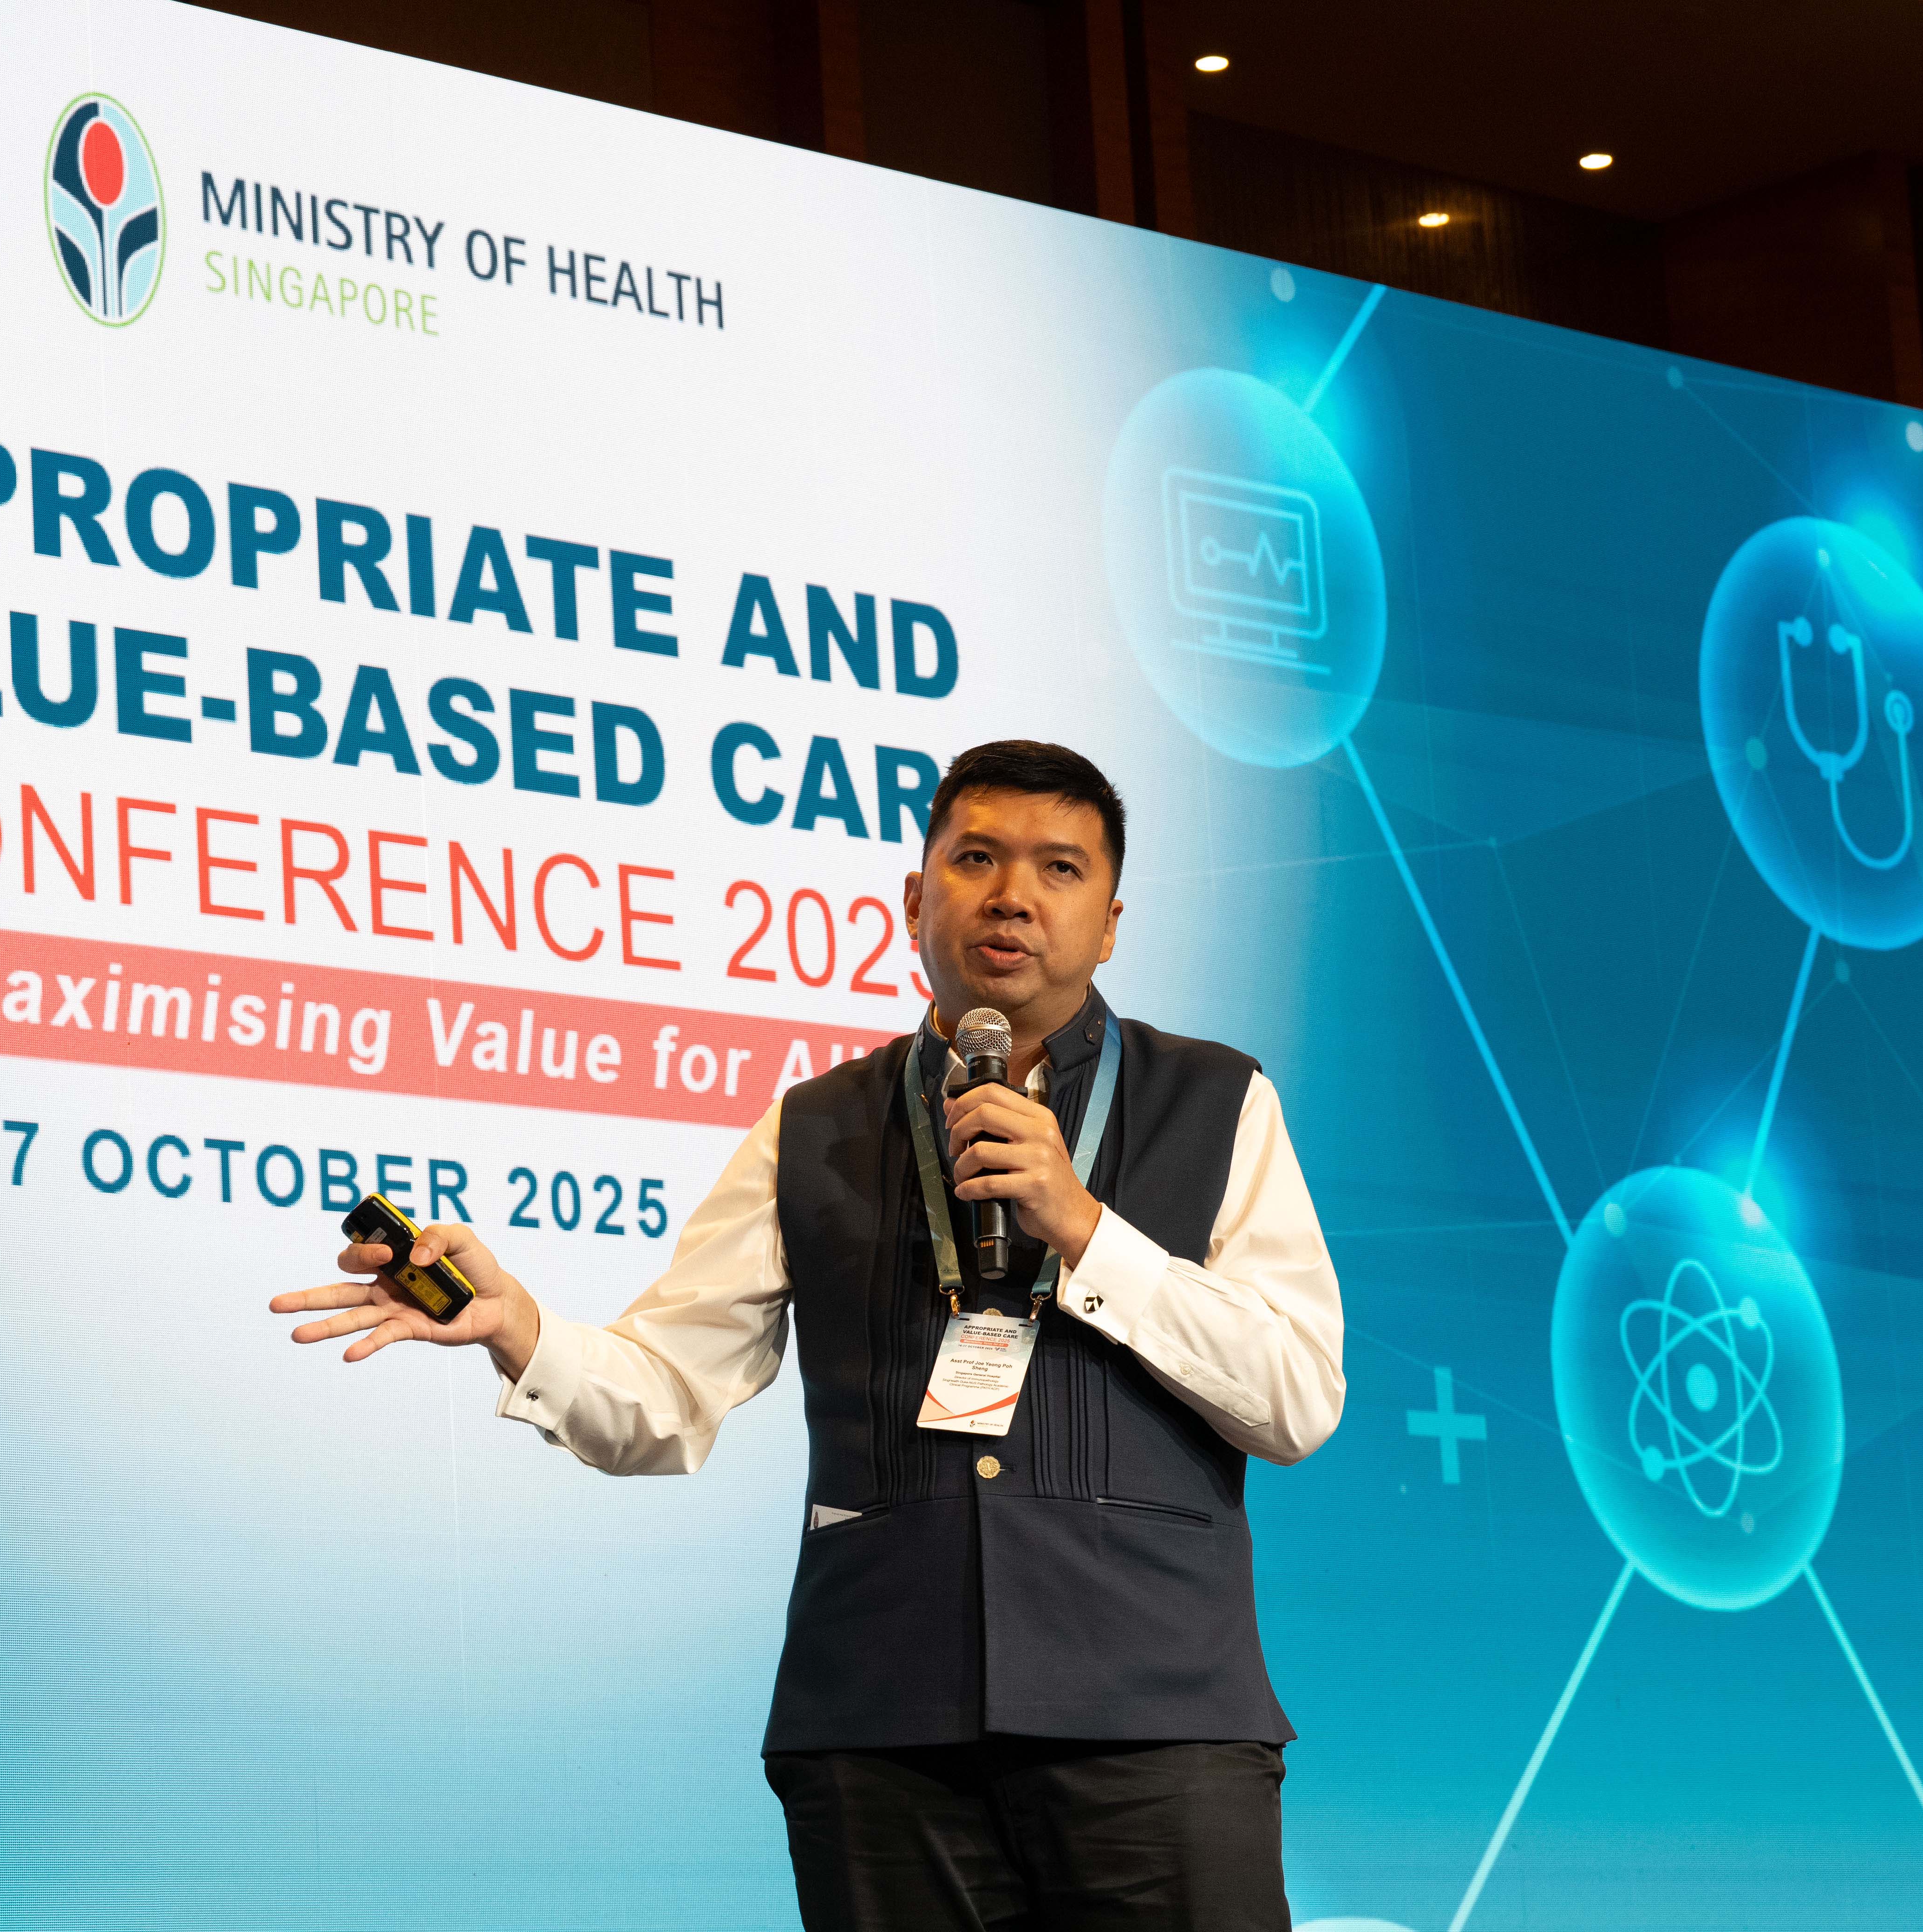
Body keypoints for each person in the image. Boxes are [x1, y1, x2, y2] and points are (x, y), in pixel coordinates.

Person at [273, 740, 1344, 1931]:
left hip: (1158, 1721)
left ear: (1109, 925)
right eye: (976, 859)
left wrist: (1086, 1229)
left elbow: (1297, 1396)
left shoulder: (1220, 1099)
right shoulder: (812, 1126)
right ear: (914, 898)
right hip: (883, 1730)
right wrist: (519, 1329)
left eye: (1060, 868)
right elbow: (666, 1392)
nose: (1012, 897)